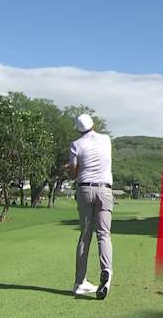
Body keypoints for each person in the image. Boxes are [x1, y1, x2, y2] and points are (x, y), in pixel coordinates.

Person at [66, 113, 113, 299]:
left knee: (85, 236)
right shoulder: (106, 139)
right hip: (104, 189)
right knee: (104, 234)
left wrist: (70, 166)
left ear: (78, 129)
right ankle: (106, 272)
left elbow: (73, 174)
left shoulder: (76, 145)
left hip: (85, 190)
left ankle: (80, 282)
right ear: (93, 125)